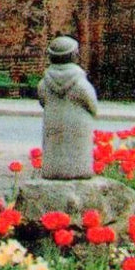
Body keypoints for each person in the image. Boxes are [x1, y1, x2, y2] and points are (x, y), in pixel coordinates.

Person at [36, 36, 98, 180]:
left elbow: (42, 101)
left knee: (53, 149)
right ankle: (78, 170)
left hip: (53, 125)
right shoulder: (80, 84)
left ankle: (53, 170)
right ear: (74, 56)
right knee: (78, 155)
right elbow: (93, 107)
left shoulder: (44, 84)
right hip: (78, 128)